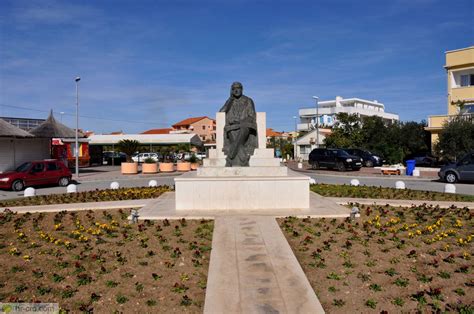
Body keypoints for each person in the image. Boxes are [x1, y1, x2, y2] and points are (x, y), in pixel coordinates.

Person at [219, 82, 258, 166]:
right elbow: (221, 112)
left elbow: (251, 116)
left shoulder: (248, 100)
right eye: (234, 89)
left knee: (242, 131)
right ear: (231, 91)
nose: (236, 90)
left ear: (242, 89)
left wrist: (240, 121)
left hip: (245, 126)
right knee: (231, 132)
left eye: (238, 88)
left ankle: (230, 158)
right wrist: (230, 100)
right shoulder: (230, 101)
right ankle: (244, 159)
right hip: (232, 127)